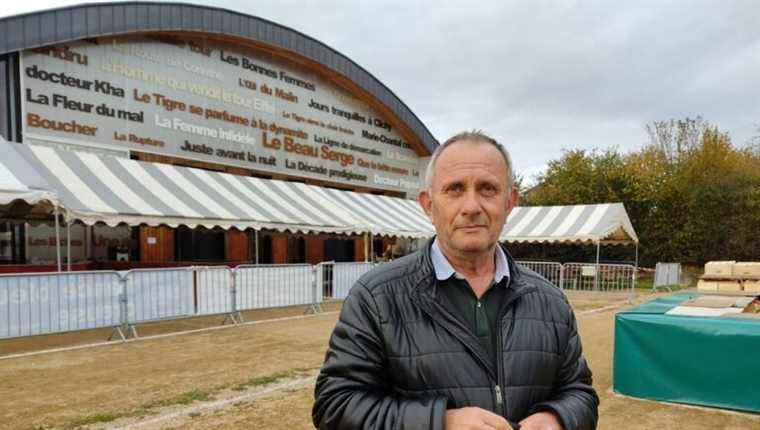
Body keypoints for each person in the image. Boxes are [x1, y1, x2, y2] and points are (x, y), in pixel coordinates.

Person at [313, 131, 598, 430]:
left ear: (510, 201)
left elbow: (580, 393)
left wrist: (559, 418)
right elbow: (335, 405)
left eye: (488, 189)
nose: (471, 206)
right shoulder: (376, 297)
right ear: (428, 204)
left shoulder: (549, 300)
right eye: (455, 189)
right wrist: (440, 423)